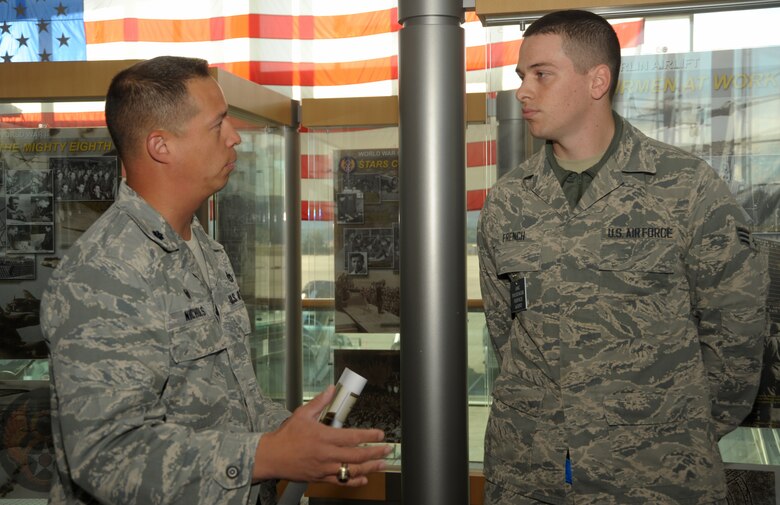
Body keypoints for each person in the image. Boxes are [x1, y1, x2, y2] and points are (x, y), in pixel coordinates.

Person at [41, 56, 391, 505]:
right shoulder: (104, 272)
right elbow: (110, 456)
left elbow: (225, 402)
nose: (235, 137)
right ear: (161, 146)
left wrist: (296, 436)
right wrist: (267, 455)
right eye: (218, 124)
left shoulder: (203, 248)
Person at [477, 10, 768, 505]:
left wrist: (668, 429)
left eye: (541, 74)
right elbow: (507, 334)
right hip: (531, 473)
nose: (523, 91)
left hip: (657, 477)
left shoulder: (687, 189)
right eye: (521, 77)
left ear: (598, 80)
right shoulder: (509, 201)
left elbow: (737, 339)